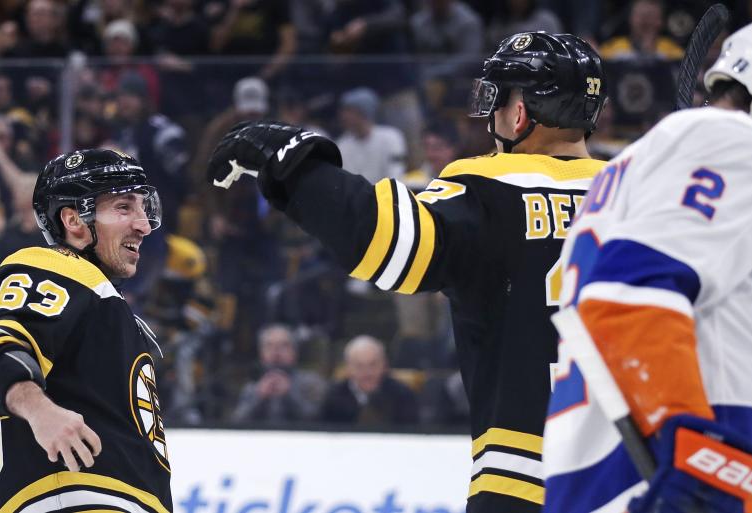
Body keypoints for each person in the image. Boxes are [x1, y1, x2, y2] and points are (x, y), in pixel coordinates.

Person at [208, 31, 607, 513]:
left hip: (526, 477)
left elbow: (383, 242)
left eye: (500, 99)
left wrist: (294, 163)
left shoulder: (489, 189)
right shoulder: (642, 192)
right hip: (639, 472)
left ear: (520, 112)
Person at [543, 11, 752, 513]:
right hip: (708, 478)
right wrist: (695, 455)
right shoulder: (739, 144)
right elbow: (629, 295)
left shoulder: (625, 170)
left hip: (602, 474)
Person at [0, 149, 172, 512]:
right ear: (73, 220)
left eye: (142, 207)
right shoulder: (54, 265)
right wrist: (40, 410)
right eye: (123, 208)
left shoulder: (101, 300)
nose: (143, 224)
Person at [230, 323, 327, 423]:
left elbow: (318, 419)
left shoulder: (311, 383)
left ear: (295, 352)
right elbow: (236, 422)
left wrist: (289, 394)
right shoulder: (252, 387)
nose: (275, 351)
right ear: (261, 354)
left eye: (283, 346)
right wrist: (259, 397)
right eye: (269, 346)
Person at [320, 335, 418, 425]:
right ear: (348, 368)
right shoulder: (332, 398)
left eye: (373, 364)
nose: (367, 372)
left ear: (384, 365)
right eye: (359, 366)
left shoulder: (402, 396)